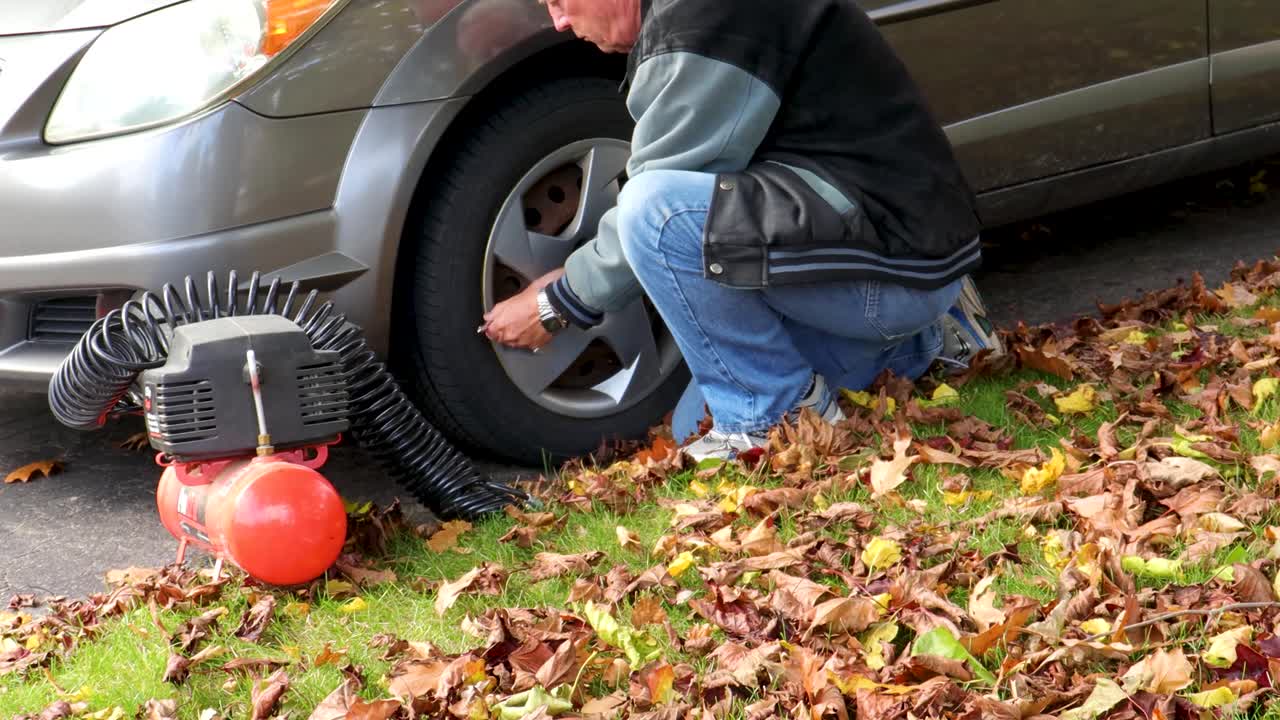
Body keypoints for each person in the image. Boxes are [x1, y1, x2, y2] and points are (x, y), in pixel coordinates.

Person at [480, 0, 1004, 461]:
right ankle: (929, 338)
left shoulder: (707, 16)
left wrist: (558, 302)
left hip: (886, 270)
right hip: (903, 250)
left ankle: (776, 416)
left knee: (653, 212)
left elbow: (660, 204)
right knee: (693, 425)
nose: (557, 21)